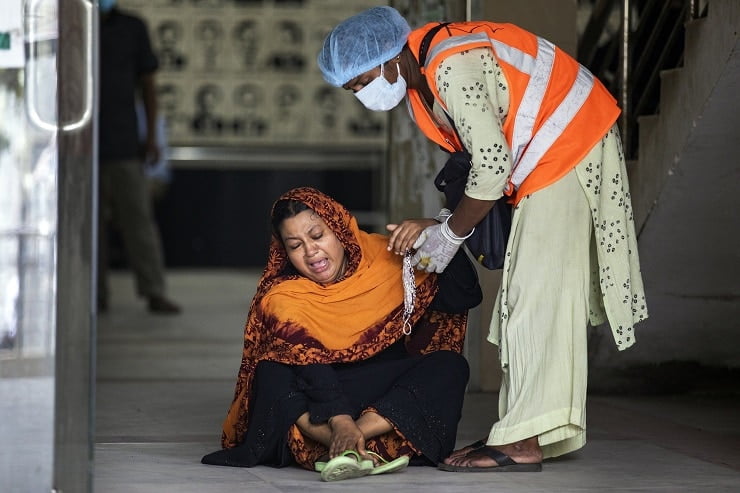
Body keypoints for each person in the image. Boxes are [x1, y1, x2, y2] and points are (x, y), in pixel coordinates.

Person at [318, 6, 648, 472]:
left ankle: (523, 441)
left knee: (536, 295)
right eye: (353, 89)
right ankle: (528, 432)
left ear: (391, 57)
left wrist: (449, 234)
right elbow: (473, 166)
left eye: (362, 81)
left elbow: (492, 166)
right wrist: (443, 222)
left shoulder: (449, 66)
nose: (362, 94)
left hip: (568, 145)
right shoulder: (422, 87)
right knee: (528, 297)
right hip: (548, 155)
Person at [201, 187, 478, 481]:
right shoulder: (284, 295)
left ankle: (351, 441)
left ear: (340, 229)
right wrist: (340, 420)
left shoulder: (389, 259)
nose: (310, 251)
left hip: (382, 400)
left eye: (317, 236)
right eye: (295, 245)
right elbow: (311, 367)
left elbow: (464, 294)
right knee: (271, 369)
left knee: (450, 366)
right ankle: (337, 441)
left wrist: (436, 230)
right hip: (319, 397)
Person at [98, 0, 180, 314]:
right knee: (89, 229)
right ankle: (96, 294)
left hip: (123, 142)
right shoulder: (74, 25)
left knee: (138, 221)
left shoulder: (132, 28)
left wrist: (151, 137)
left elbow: (148, 86)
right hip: (80, 146)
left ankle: (153, 290)